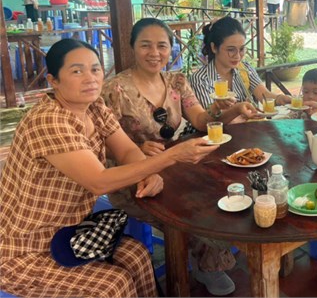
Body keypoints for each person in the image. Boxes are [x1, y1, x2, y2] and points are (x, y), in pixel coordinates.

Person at [0, 39, 217, 297]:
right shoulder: (48, 120)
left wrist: (149, 173)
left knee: (137, 256)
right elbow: (99, 181)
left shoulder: (94, 108)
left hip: (71, 230)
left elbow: (126, 151)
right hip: (23, 246)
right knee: (113, 285)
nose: (90, 78)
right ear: (53, 80)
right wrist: (171, 157)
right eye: (77, 71)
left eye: (95, 69)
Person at [102, 18, 255, 296]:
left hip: (177, 163)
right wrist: (138, 149)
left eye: (162, 46)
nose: (154, 53)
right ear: (133, 47)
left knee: (220, 191)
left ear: (170, 49)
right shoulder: (114, 89)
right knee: (192, 210)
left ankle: (207, 257)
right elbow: (101, 140)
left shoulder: (177, 81)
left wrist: (225, 109)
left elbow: (201, 120)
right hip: (135, 176)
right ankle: (205, 265)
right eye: (145, 45)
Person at [189, 16, 292, 114]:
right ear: (214, 48)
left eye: (242, 49)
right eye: (231, 50)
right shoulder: (201, 79)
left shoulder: (245, 69)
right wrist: (238, 111)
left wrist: (281, 99)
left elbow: (264, 95)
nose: (238, 56)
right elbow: (210, 117)